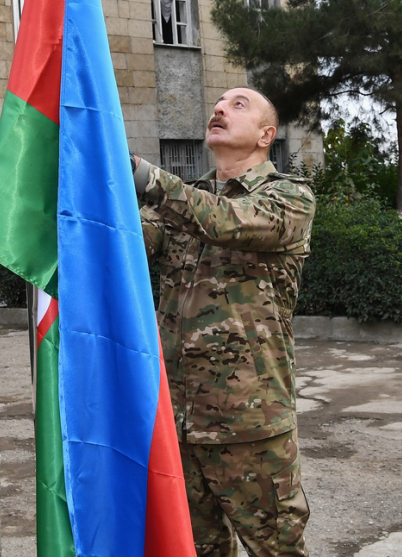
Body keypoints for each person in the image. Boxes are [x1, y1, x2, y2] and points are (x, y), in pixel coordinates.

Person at [131, 87, 316, 557]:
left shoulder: (289, 198)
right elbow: (122, 247)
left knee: (276, 550)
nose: (218, 108)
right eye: (217, 103)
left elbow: (226, 222)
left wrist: (145, 177)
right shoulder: (177, 207)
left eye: (238, 105)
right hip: (176, 423)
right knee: (195, 551)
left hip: (250, 423)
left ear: (265, 135)